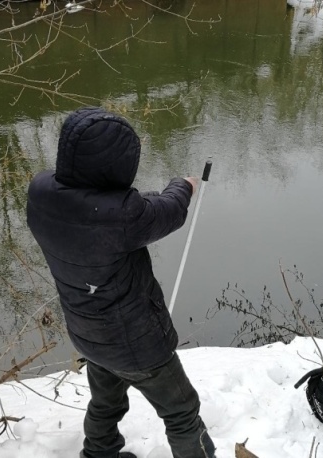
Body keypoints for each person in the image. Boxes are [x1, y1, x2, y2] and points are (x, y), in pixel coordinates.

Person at [26, 107, 217, 458]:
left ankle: (98, 454)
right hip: (140, 346)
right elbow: (167, 211)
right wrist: (183, 185)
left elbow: (99, 211)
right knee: (182, 412)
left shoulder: (40, 194)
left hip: (90, 337)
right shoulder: (123, 215)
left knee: (105, 403)